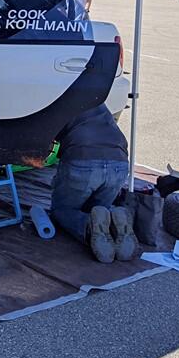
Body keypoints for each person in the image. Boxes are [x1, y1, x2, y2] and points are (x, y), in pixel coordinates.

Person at [50, 104, 138, 263]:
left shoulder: (55, 94)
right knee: (98, 210)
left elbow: (42, 139)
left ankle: (88, 225)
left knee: (62, 209)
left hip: (84, 160)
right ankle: (114, 220)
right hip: (119, 163)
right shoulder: (96, 94)